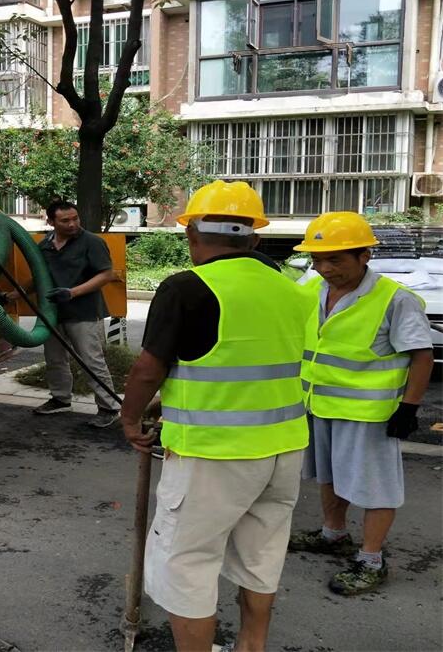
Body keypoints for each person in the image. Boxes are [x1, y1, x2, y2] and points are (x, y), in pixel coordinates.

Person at [121, 180, 313, 652]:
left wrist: (129, 420)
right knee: (261, 556)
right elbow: (239, 364)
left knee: (186, 563)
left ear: (191, 235)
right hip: (284, 452)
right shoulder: (292, 290)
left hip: (213, 457)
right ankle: (251, 646)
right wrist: (178, 395)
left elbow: (148, 368)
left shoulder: (187, 286)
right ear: (254, 237)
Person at [288, 212, 434, 596]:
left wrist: (409, 407)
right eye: (318, 260)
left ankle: (371, 560)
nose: (325, 268)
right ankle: (333, 535)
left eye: (335, 259)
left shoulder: (395, 300)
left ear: (364, 256)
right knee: (329, 476)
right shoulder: (312, 291)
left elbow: (421, 355)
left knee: (374, 488)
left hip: (368, 415)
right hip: (320, 406)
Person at [32, 200, 121, 428]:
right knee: (54, 359)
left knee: (91, 361)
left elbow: (106, 275)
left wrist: (72, 293)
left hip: (83, 311)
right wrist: (17, 293)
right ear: (51, 221)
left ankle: (108, 407)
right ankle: (60, 399)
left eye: (75, 218)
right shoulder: (45, 247)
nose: (72, 224)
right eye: (65, 220)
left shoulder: (92, 242)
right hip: (53, 313)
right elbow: (39, 276)